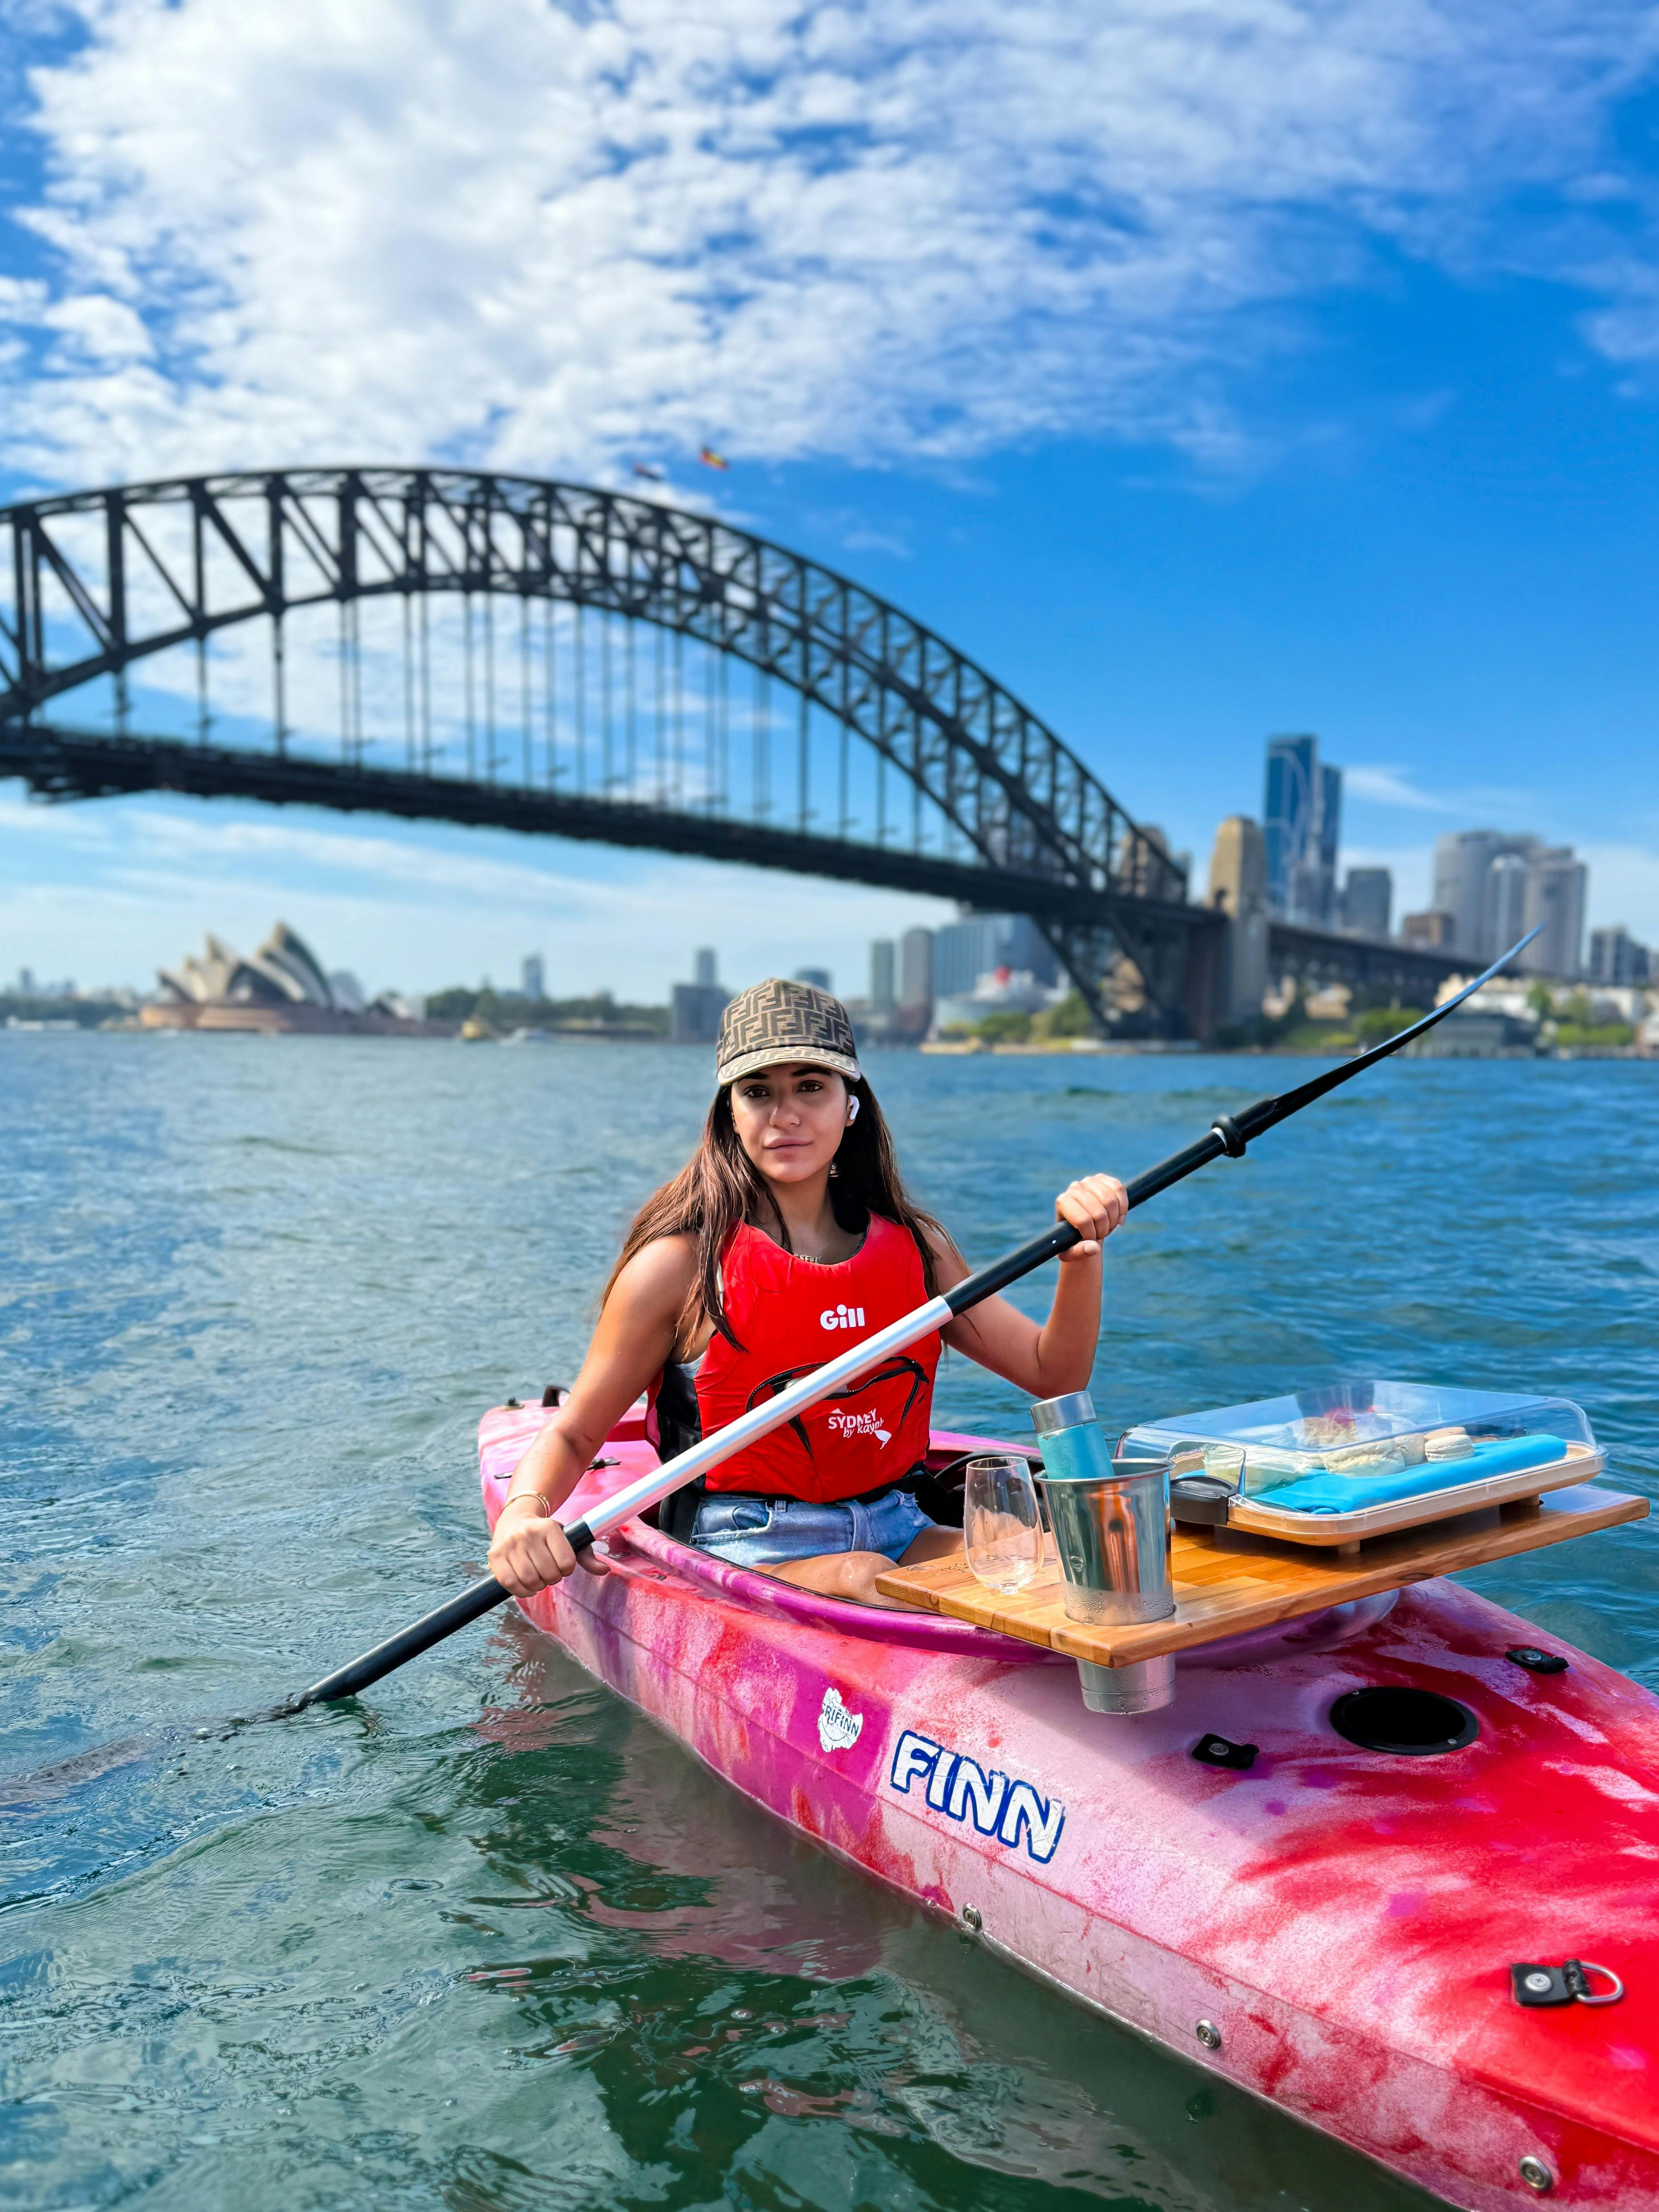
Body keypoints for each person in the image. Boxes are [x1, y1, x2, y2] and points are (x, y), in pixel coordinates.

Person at [489, 977, 1128, 1608]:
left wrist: (1079, 1257)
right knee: (860, 1575)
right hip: (747, 1541)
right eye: (758, 1091)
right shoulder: (677, 1267)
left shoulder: (916, 1250)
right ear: (729, 1114)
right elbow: (575, 1436)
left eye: (810, 1087)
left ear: (850, 1104)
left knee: (1059, 1552)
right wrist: (523, 1515)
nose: (785, 1113)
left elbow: (1054, 1373)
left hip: (899, 1522)